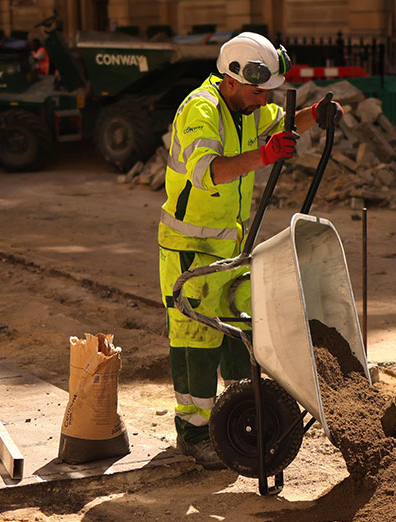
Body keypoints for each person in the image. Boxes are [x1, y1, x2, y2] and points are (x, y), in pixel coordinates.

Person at [158, 32, 342, 469]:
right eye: (260, 92)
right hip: (189, 247)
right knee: (196, 340)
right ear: (233, 79)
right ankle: (194, 433)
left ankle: (239, 413)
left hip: (229, 244)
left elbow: (282, 123)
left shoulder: (247, 108)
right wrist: (265, 156)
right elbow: (210, 172)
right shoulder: (200, 110)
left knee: (243, 328)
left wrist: (315, 114)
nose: (265, 101)